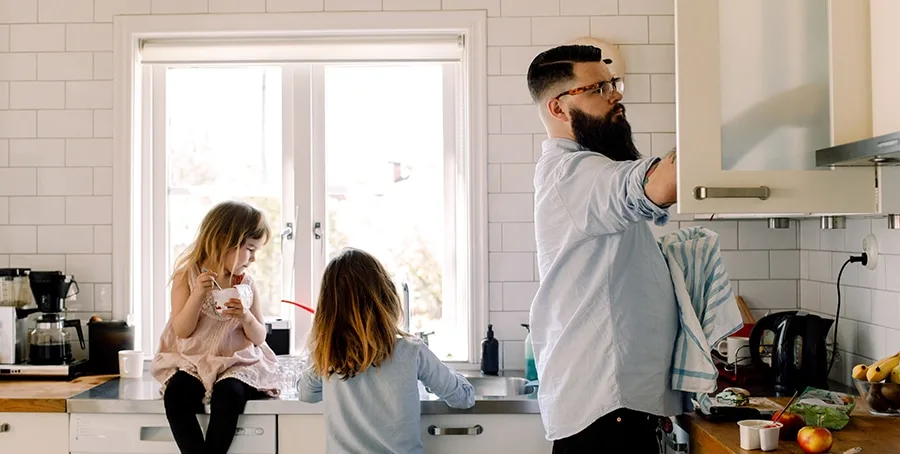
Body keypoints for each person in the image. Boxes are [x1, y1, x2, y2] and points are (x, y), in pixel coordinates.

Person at [526, 44, 680, 453]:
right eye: (598, 88)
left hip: (610, 409)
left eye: (613, 84)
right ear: (558, 109)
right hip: (607, 414)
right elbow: (656, 185)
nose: (616, 95)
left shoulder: (582, 170)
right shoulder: (574, 174)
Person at [296, 247, 475, 454]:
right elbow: (462, 398)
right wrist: (459, 378)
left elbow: (306, 394)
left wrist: (321, 349)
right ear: (385, 296)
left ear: (327, 309)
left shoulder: (328, 355)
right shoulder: (411, 350)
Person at [151, 200, 281, 454]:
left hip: (235, 363)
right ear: (225, 241)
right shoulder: (186, 277)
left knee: (229, 395)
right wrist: (198, 294)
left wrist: (245, 317)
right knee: (175, 396)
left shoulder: (246, 284)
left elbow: (258, 337)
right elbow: (182, 330)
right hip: (193, 362)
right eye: (250, 249)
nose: (254, 258)